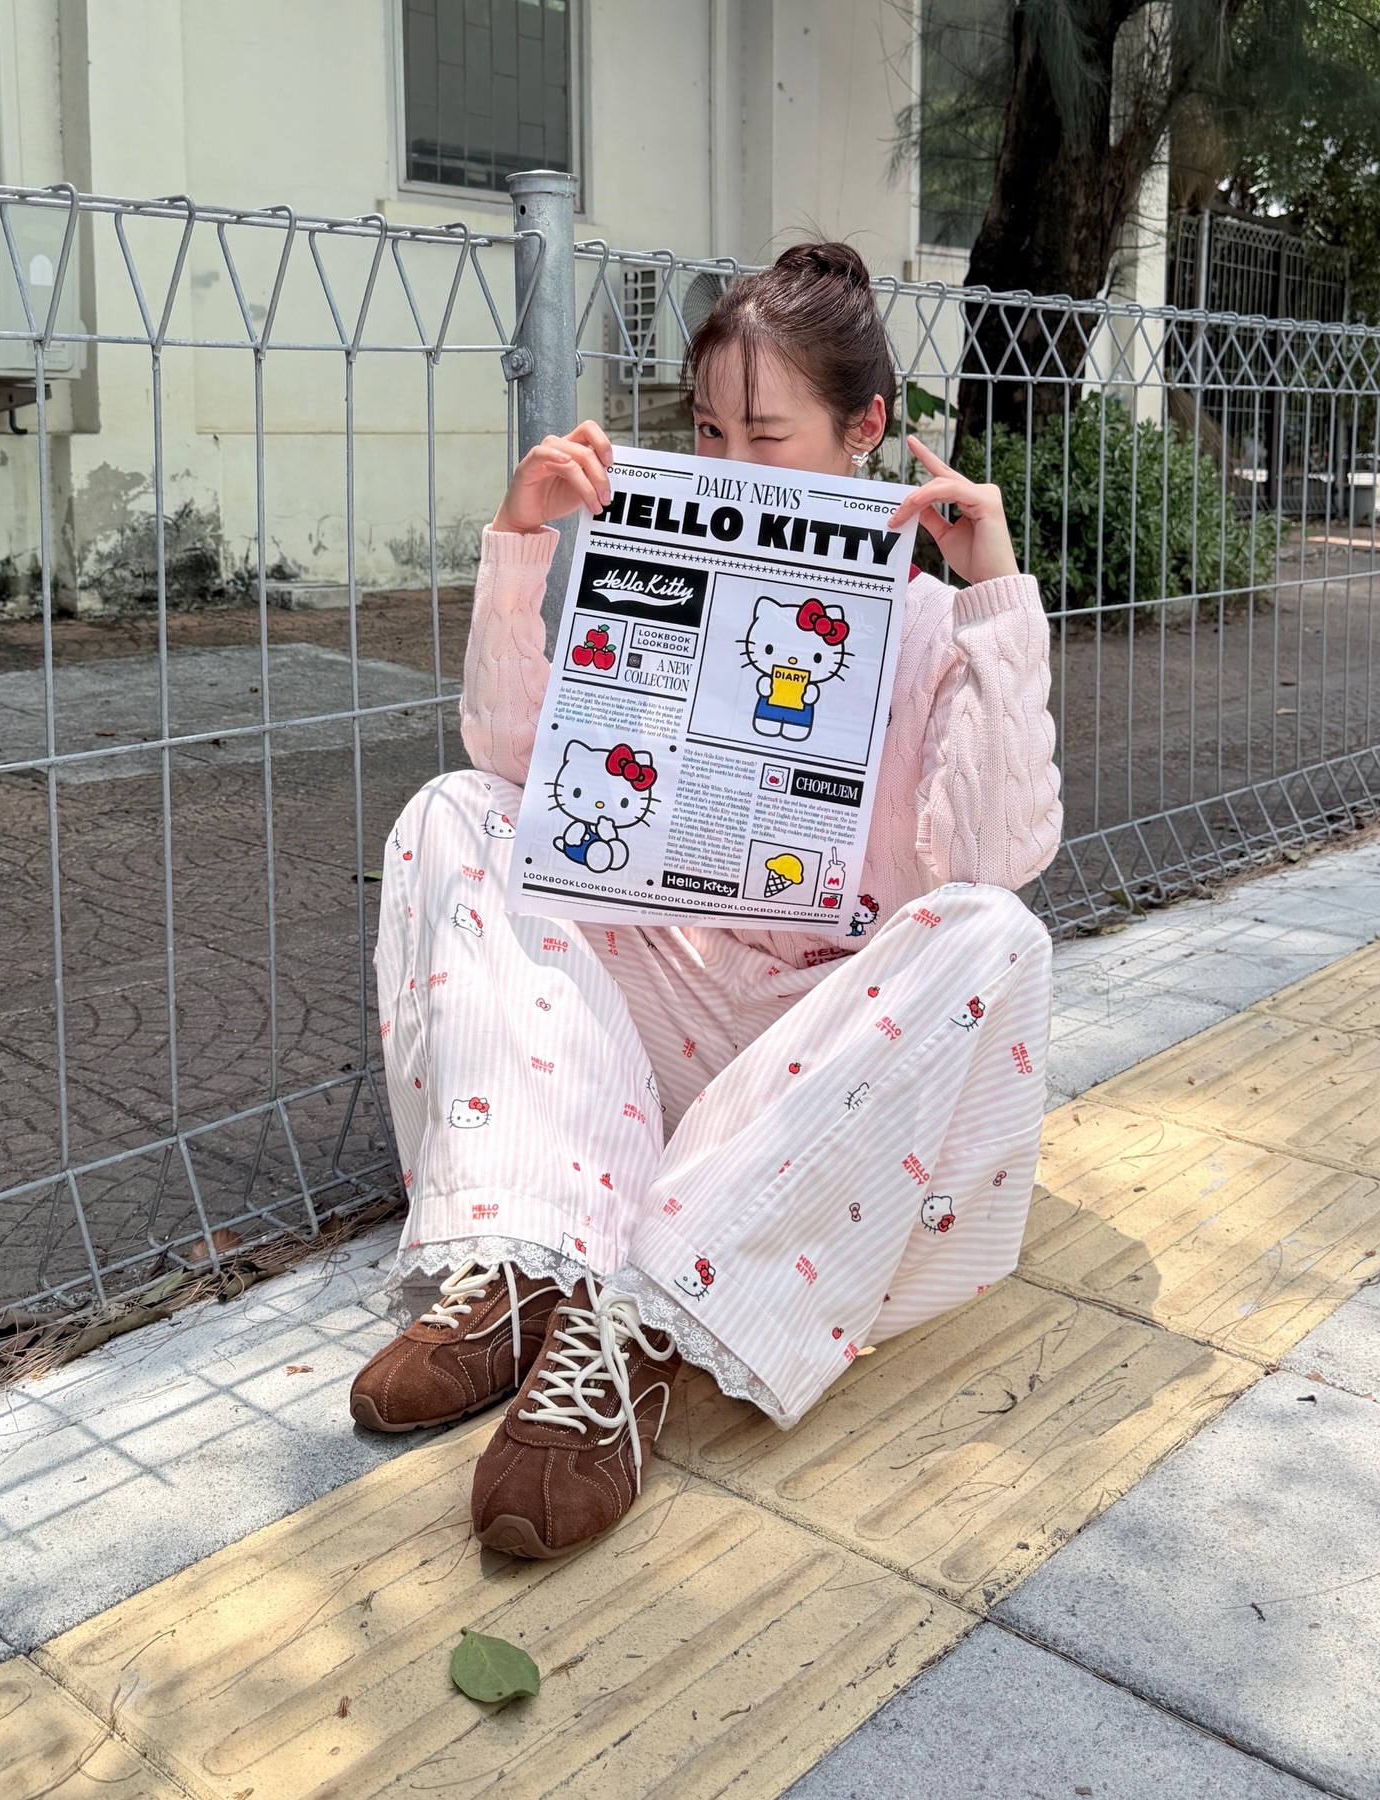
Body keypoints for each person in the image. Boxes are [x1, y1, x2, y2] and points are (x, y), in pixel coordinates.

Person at [348, 242, 1062, 1560]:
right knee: (459, 810)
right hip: (650, 1032)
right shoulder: (653, 570)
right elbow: (519, 769)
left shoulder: (930, 629)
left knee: (995, 933)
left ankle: (642, 1325)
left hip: (817, 1086)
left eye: (768, 435)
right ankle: (531, 1261)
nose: (731, 464)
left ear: (864, 430)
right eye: (710, 432)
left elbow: (994, 852)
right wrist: (522, 543)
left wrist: (993, 594)